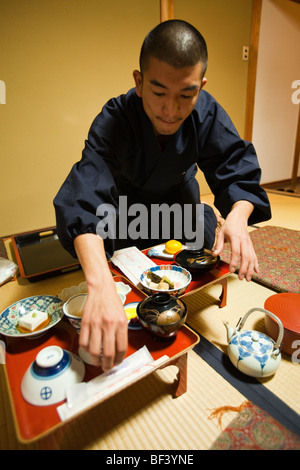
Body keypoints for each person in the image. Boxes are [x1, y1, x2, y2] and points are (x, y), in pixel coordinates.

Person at [54, 20, 271, 371]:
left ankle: (204, 213)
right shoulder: (116, 117)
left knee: (201, 243)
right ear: (139, 82)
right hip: (126, 208)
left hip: (178, 200)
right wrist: (99, 285)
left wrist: (238, 217)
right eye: (158, 92)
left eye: (185, 95)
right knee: (103, 253)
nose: (171, 109)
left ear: (200, 87)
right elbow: (85, 191)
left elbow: (238, 168)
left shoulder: (206, 110)